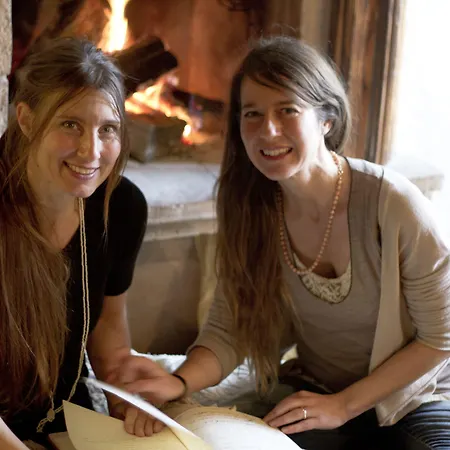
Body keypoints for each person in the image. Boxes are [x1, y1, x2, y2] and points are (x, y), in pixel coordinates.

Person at [113, 35, 450, 449]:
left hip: (414, 397)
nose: (268, 130)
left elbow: (440, 338)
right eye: (252, 114)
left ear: (327, 120)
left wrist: (343, 406)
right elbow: (232, 328)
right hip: (316, 392)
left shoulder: (393, 204)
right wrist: (177, 382)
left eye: (287, 110)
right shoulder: (252, 208)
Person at [0, 37, 150, 448]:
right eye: (70, 124)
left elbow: (108, 333)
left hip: (66, 416)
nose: (91, 151)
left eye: (108, 129)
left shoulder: (122, 206)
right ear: (27, 120)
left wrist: (128, 403)